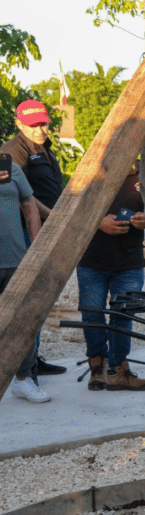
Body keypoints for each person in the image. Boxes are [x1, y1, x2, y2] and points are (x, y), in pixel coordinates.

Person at [0, 100, 67, 376]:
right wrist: (52, 215)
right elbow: (25, 199)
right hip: (26, 237)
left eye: (43, 123)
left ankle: (32, 360)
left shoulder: (44, 148)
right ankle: (22, 367)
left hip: (45, 231)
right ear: (19, 125)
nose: (40, 129)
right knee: (24, 304)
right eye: (33, 125)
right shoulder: (11, 153)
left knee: (36, 301)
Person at [78, 161, 145, 391]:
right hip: (93, 261)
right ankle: (97, 369)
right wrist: (97, 221)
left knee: (123, 315)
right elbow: (73, 209)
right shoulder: (94, 170)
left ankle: (119, 370)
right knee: (92, 315)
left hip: (129, 263)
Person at [0, 158, 48, 402]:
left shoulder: (9, 168)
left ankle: (23, 379)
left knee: (25, 319)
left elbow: (29, 206)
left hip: (16, 260)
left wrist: (36, 250)